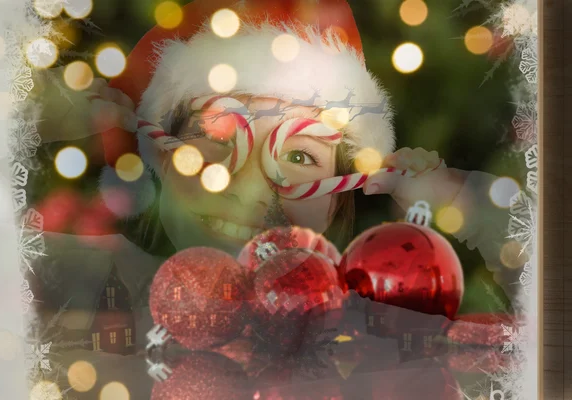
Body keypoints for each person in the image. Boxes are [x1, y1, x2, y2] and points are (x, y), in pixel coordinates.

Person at [32, 0, 522, 397]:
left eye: (302, 157)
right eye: (220, 138)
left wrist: (452, 206)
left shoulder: (380, 339)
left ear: (339, 195)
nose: (249, 191)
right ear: (160, 155)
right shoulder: (80, 300)